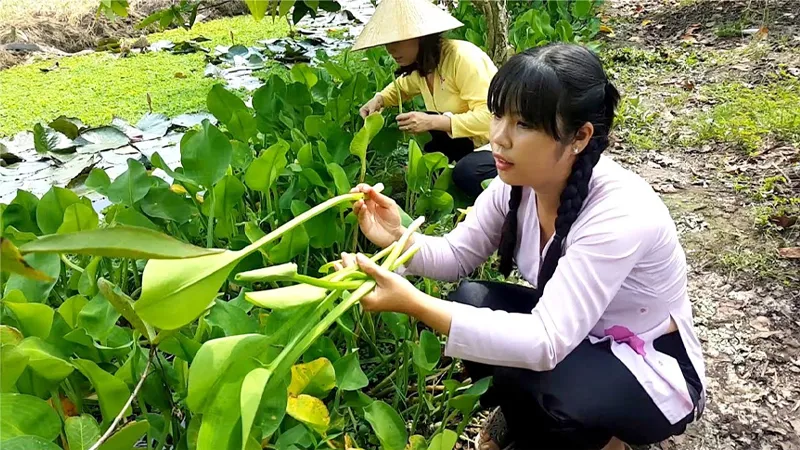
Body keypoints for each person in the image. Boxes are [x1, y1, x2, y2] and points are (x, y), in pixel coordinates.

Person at [335, 43, 707, 450]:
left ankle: (607, 439)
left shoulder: (620, 212)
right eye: (497, 115)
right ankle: (532, 421)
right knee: (472, 299)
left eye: (523, 124)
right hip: (575, 335)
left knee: (553, 388)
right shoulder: (514, 183)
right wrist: (396, 237)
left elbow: (545, 342)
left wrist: (416, 304)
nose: (498, 138)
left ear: (579, 136)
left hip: (648, 364)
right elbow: (457, 255)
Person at [352, 0, 498, 198]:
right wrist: (378, 100)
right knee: (433, 129)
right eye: (387, 43)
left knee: (467, 173)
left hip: (500, 143)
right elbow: (401, 87)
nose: (390, 50)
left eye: (396, 41)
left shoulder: (462, 58)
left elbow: (492, 118)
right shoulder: (424, 67)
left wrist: (433, 121)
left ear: (419, 37)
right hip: (469, 144)